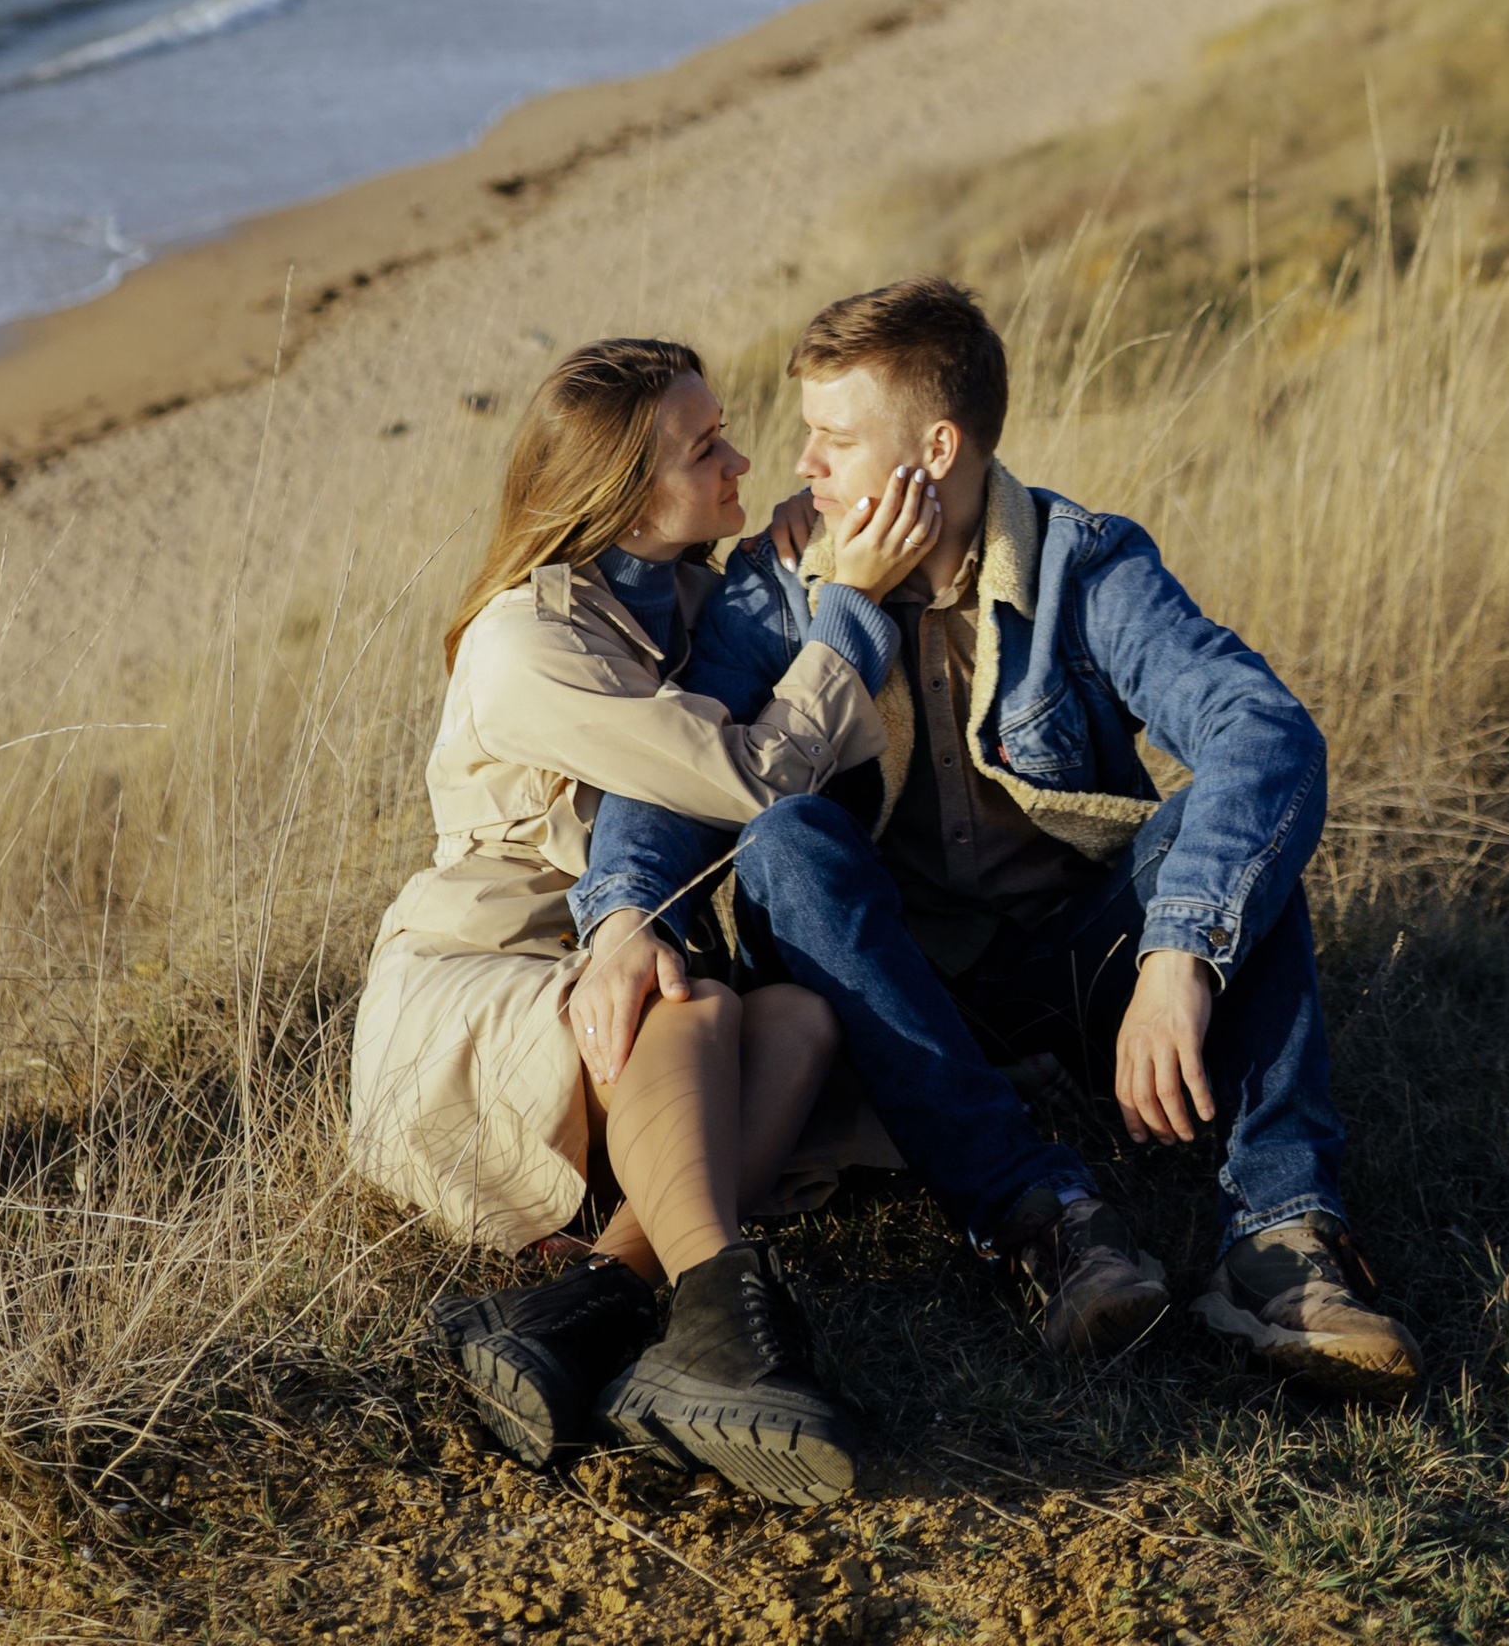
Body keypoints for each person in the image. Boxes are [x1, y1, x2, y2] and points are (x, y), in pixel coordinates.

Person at [567, 280, 1423, 1404]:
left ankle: (1279, 1242)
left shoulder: (1084, 563)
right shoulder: (780, 581)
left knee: (1223, 840)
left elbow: (1261, 730)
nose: (804, 469)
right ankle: (1052, 1222)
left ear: (935, 445)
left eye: (833, 438)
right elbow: (680, 763)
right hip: (897, 991)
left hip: (1076, 958)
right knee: (786, 838)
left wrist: (1177, 956)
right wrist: (627, 909)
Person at [348, 333, 944, 1499]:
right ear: (623, 501)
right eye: (705, 445)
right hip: (474, 982)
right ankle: (722, 1312)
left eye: (725, 432)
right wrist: (850, 612)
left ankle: (584, 1308)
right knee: (695, 1006)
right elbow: (750, 778)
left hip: (611, 980)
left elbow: (836, 770)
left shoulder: (684, 595)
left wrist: (796, 581)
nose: (740, 458)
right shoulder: (529, 643)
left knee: (800, 1030)